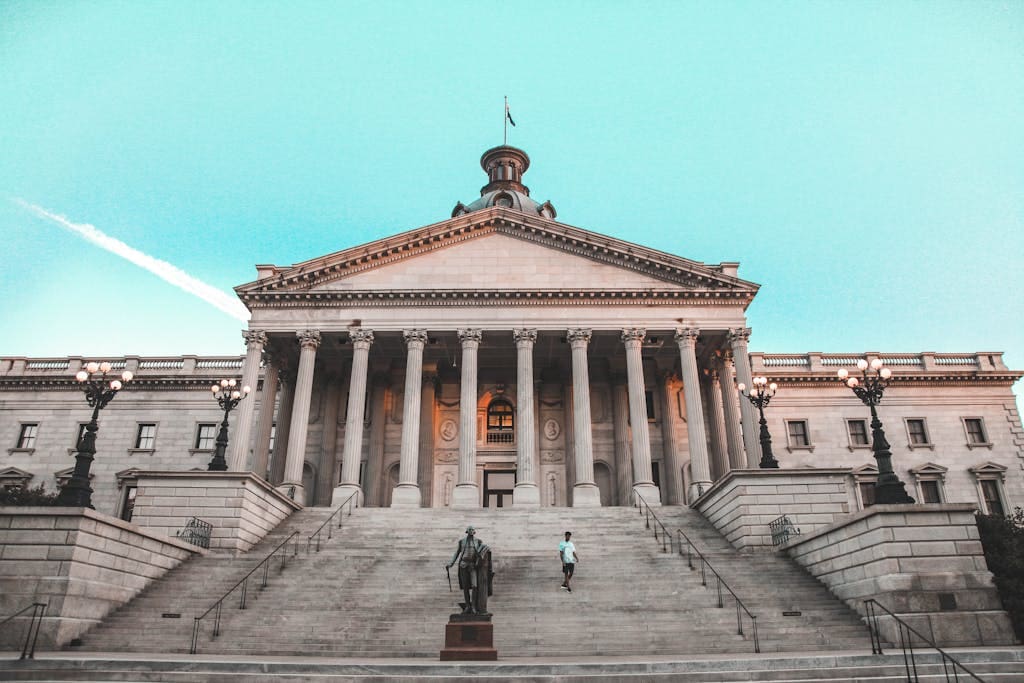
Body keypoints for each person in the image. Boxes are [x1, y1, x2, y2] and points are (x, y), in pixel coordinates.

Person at [445, 526, 491, 614]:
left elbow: (482, 552)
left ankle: (473, 606)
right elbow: (457, 553)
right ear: (467, 531)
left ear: (474, 532)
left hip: (473, 566)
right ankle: (468, 606)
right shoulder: (462, 541)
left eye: (472, 530)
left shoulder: (478, 541)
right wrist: (450, 564)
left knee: (474, 585)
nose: (471, 531)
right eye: (469, 530)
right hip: (463, 565)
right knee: (465, 587)